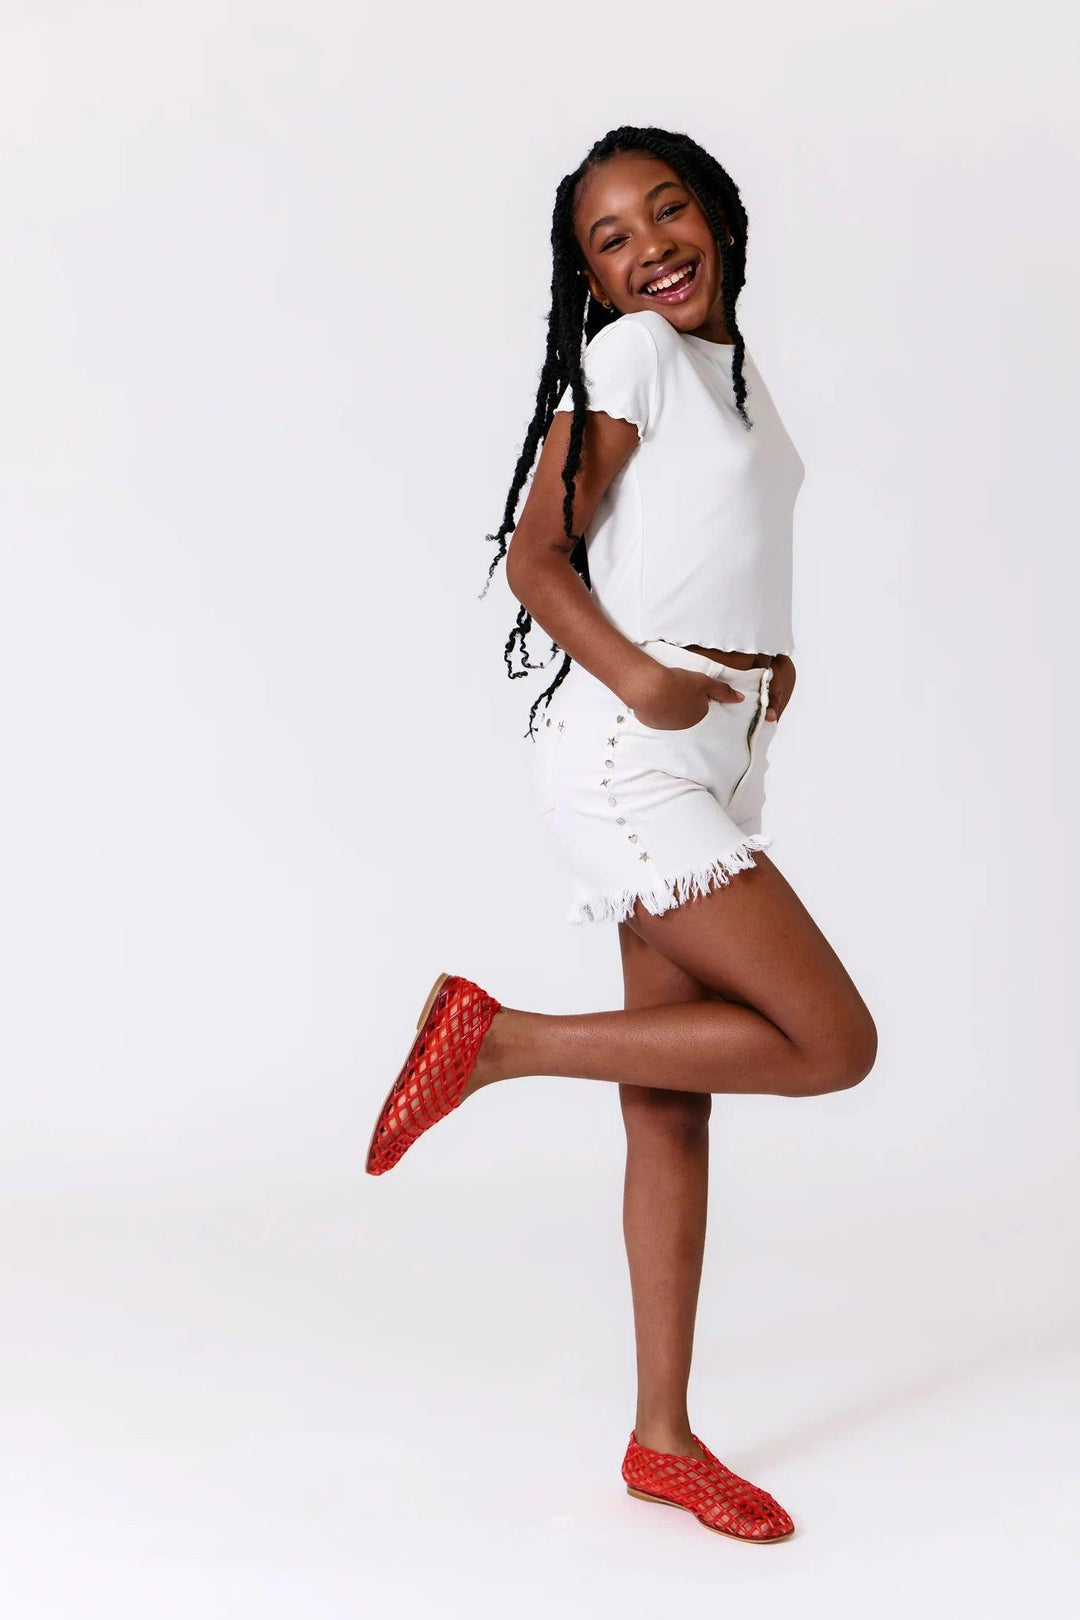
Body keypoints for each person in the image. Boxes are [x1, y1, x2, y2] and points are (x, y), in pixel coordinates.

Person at [365, 124, 878, 1545]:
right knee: (832, 1041)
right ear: (589, 279)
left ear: (719, 215)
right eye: (613, 238)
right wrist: (647, 677)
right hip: (632, 754)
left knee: (668, 1100)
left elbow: (713, 545)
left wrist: (768, 665)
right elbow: (539, 555)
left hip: (718, 753)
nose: (652, 247)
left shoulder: (731, 370)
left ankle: (662, 1442)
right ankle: (500, 1040)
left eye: (668, 211)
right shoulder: (636, 356)